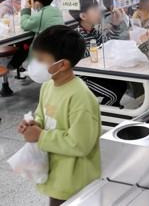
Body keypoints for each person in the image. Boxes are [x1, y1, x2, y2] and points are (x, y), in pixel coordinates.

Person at [19, 25, 100, 206]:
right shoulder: (48, 86)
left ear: (62, 64)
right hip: (56, 172)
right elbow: (42, 114)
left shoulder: (80, 97)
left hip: (75, 179)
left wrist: (41, 136)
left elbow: (80, 144)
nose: (34, 64)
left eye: (40, 59)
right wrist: (34, 124)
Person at [70, 0, 128, 106]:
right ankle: (103, 115)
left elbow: (109, 45)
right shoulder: (76, 36)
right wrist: (100, 48)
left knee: (122, 84)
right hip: (82, 78)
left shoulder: (94, 31)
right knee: (113, 95)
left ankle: (113, 108)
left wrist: (115, 25)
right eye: (95, 10)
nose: (99, 12)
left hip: (95, 73)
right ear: (83, 16)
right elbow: (85, 56)